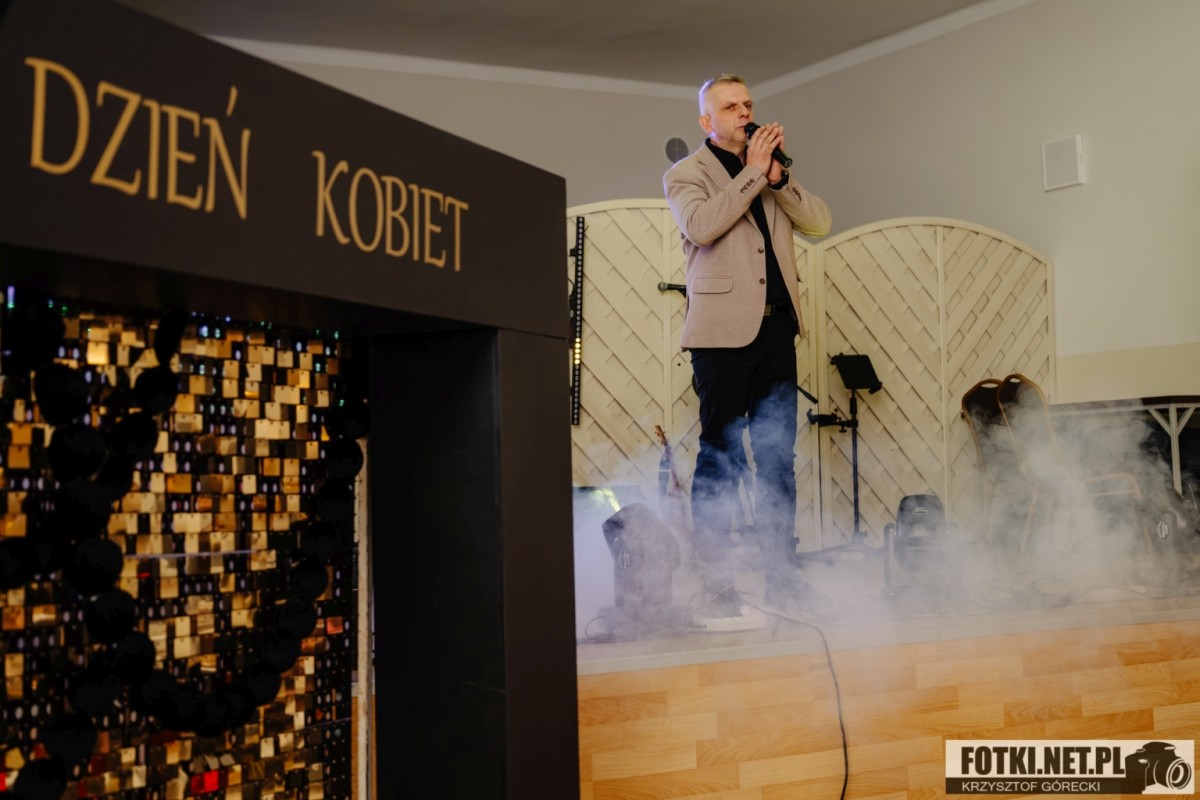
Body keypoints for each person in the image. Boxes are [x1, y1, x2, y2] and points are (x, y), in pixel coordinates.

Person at [663, 73, 832, 617]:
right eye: (731, 106)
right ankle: (718, 586)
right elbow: (702, 226)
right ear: (706, 121)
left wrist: (777, 178)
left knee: (778, 461)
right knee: (721, 455)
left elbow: (820, 222)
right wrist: (753, 175)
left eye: (748, 104)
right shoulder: (685, 174)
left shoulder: (772, 171)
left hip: (777, 334)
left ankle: (783, 579)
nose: (744, 113)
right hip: (720, 338)